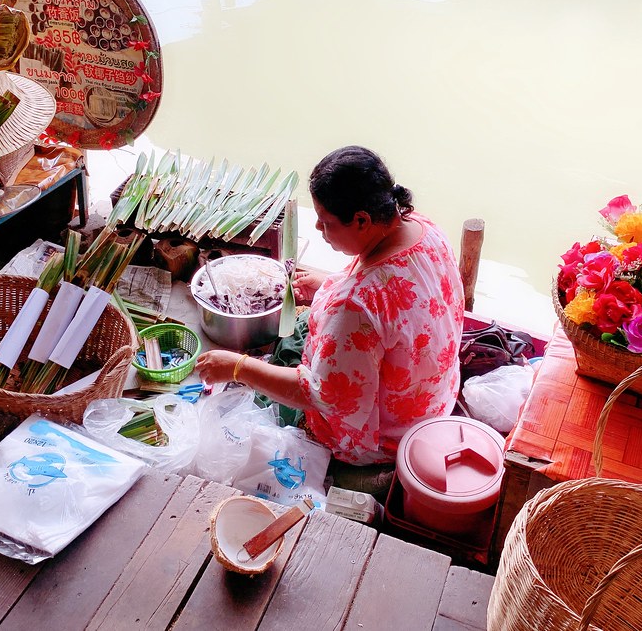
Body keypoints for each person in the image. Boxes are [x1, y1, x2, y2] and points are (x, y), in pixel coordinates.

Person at [195, 145, 465, 473]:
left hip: (389, 436)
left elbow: (322, 395)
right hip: (435, 401)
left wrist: (238, 367)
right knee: (301, 331)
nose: (318, 230)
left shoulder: (354, 306)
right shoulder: (423, 228)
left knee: (270, 379)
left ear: (362, 219)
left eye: (325, 222)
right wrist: (329, 284)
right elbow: (399, 298)